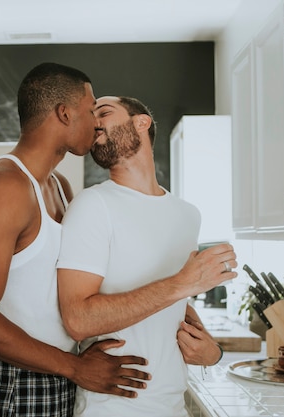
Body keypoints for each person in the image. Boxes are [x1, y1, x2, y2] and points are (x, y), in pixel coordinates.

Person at [0, 64, 152, 417]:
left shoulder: (60, 187)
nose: (98, 123)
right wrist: (74, 368)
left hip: (58, 377)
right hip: (15, 384)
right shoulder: (5, 187)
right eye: (92, 111)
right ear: (64, 113)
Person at [56, 96, 238, 417]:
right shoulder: (91, 206)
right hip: (111, 408)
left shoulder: (187, 215)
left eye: (105, 112)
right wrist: (182, 284)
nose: (95, 122)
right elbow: (78, 321)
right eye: (91, 117)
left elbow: (171, 304)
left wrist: (211, 350)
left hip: (172, 404)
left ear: (142, 122)